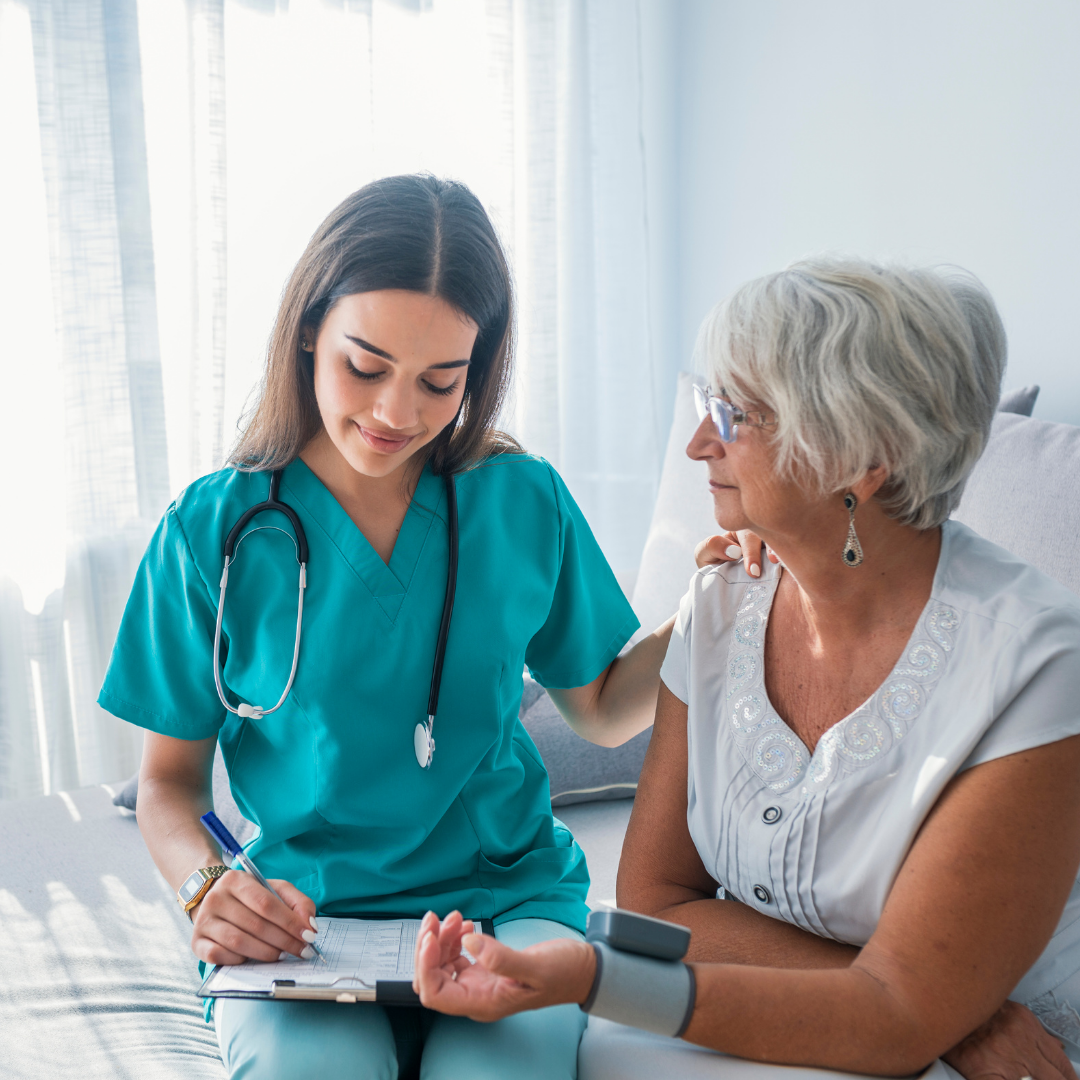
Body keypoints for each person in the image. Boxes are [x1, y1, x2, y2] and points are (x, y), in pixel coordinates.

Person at [412, 258, 1080, 1080]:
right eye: (707, 407)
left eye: (734, 415)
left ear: (863, 458)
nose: (699, 442)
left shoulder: (1034, 664)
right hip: (915, 1028)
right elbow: (659, 903)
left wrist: (598, 979)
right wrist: (947, 1007)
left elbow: (896, 1020)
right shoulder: (725, 603)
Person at [98, 174, 678, 1080]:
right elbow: (169, 784)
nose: (395, 414)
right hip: (308, 914)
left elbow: (602, 709)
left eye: (440, 381)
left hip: (504, 899)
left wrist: (713, 608)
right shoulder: (212, 531)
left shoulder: (519, 502)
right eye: (364, 368)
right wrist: (208, 887)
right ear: (307, 336)